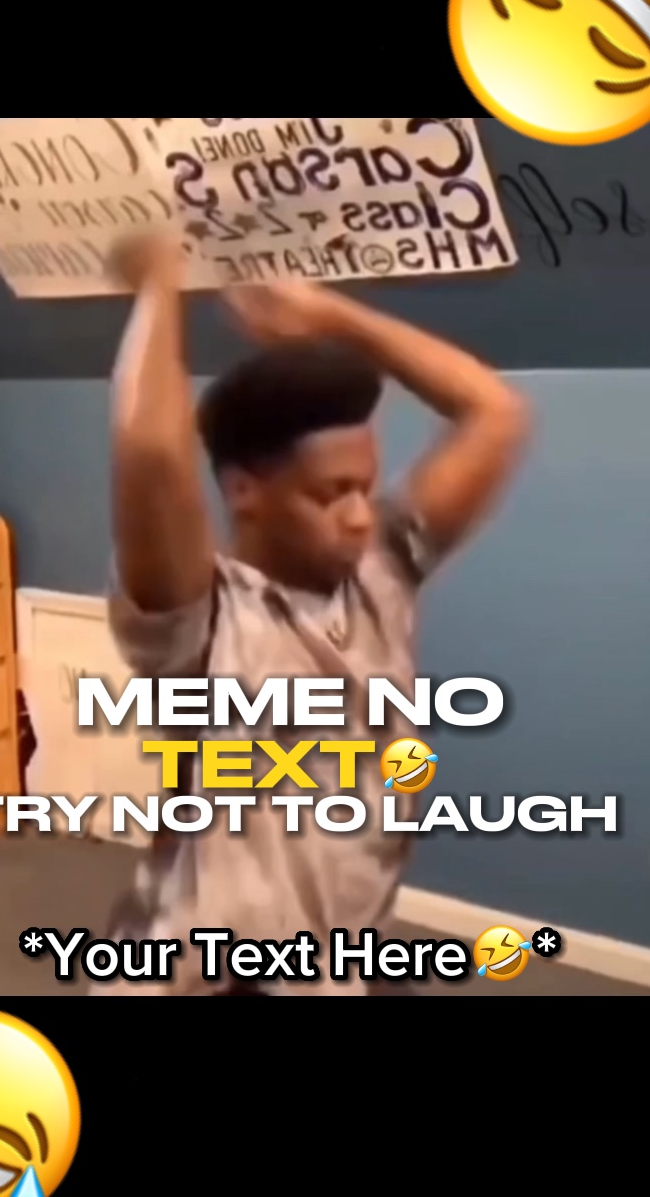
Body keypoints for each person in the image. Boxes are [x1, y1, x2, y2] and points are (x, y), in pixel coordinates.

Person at [93, 234, 531, 997]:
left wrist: (332, 317)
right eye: (329, 495)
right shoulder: (200, 622)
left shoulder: (383, 570)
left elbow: (496, 413)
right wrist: (160, 281)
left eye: (365, 485)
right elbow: (153, 452)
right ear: (244, 492)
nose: (361, 515)